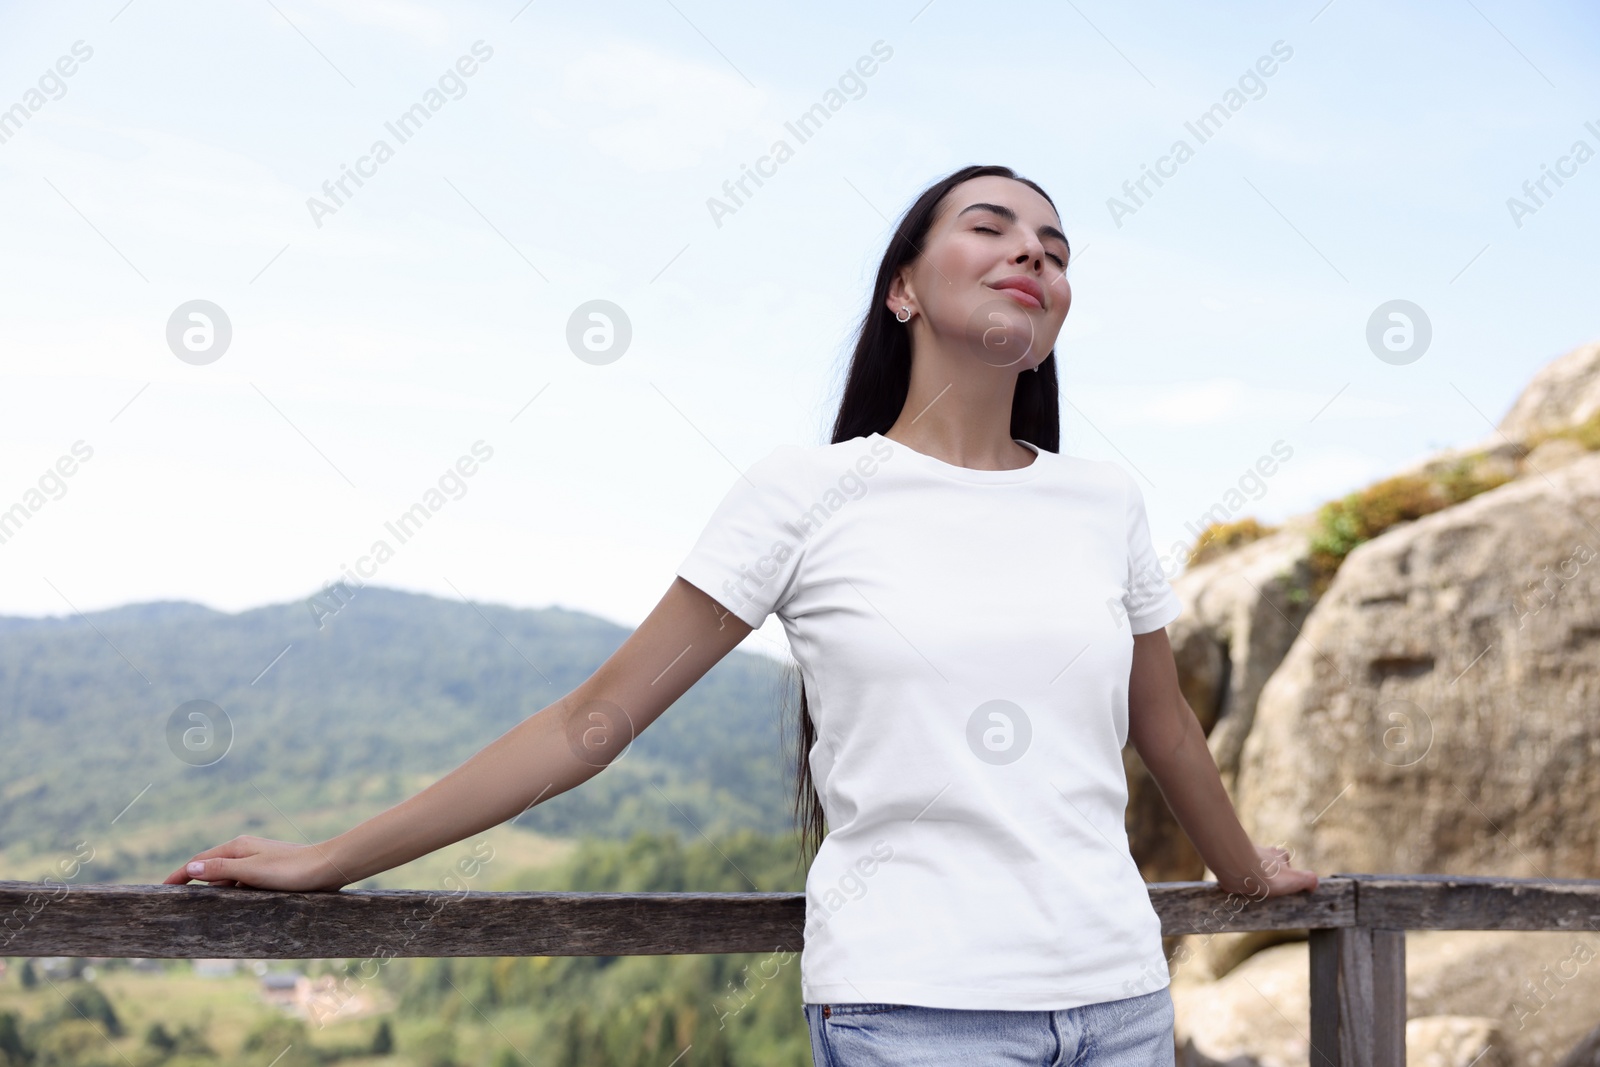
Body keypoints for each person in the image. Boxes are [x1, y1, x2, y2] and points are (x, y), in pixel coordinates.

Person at [165, 163, 1319, 1066]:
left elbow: (1160, 725)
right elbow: (591, 721)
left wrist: (1245, 876)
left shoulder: (1100, 497)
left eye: (1055, 248)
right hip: (915, 1013)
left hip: (1116, 1000)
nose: (1032, 250)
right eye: (991, 225)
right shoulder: (804, 492)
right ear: (903, 286)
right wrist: (331, 857)